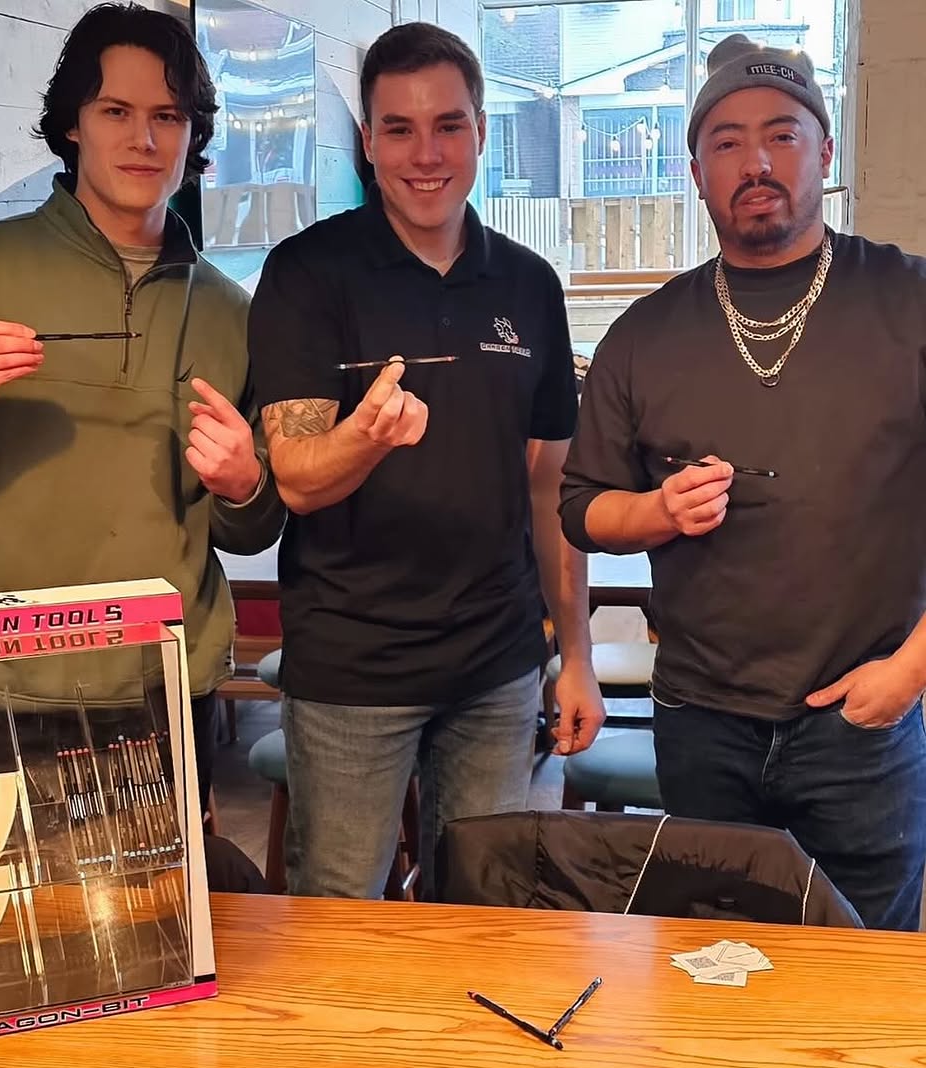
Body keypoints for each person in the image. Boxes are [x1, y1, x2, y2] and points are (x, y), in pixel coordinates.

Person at [0, 2, 285, 812]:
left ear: (194, 134)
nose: (143, 139)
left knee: (162, 901)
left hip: (161, 687)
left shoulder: (230, 311)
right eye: (115, 111)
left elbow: (251, 530)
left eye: (168, 116)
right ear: (73, 124)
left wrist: (244, 486)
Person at [559, 34, 926, 931]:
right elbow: (581, 508)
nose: (755, 162)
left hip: (864, 722)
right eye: (726, 142)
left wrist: (910, 674)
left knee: (866, 974)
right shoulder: (645, 334)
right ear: (696, 173)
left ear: (825, 152)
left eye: (782, 135)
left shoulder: (908, 301)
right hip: (701, 723)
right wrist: (655, 511)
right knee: (714, 966)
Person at [248, 22, 603, 899]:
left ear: (481, 130)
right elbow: (296, 479)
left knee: (484, 910)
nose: (427, 154)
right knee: (340, 921)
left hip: (499, 665)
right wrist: (365, 438)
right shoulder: (307, 273)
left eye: (449, 125)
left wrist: (578, 655)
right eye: (399, 129)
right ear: (368, 143)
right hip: (352, 671)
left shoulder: (528, 283)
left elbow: (549, 485)